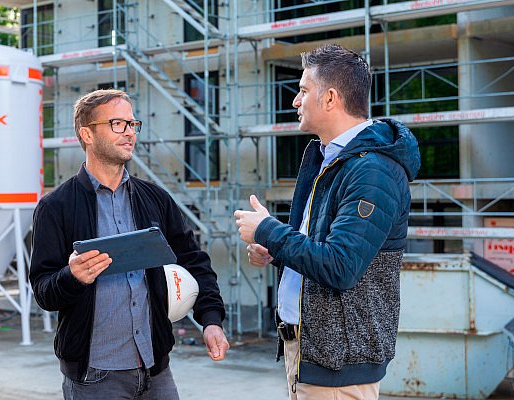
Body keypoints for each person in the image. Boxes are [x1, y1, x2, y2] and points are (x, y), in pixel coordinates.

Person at [233, 44, 420, 399]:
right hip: (309, 351)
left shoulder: (372, 171)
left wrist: (269, 230)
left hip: (340, 366)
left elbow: (341, 265)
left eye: (303, 90)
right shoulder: (330, 160)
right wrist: (274, 249)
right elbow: (320, 245)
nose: (295, 101)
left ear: (330, 98)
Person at [30, 89, 229, 400]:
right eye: (117, 124)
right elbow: (43, 290)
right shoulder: (56, 207)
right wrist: (71, 277)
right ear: (87, 134)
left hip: (156, 371)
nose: (129, 133)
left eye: (132, 124)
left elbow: (194, 261)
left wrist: (211, 320)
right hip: (95, 377)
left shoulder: (155, 199)